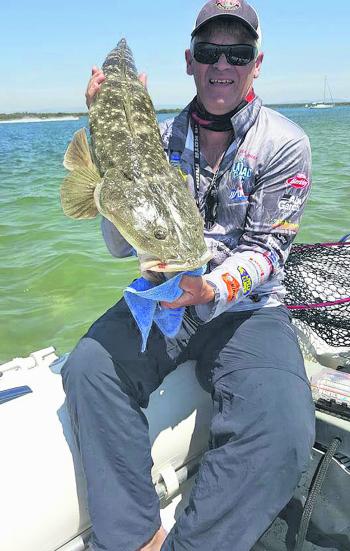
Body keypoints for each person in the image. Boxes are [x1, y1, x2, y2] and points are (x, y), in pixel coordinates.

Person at [62, 1, 316, 550]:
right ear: (189, 60)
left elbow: (270, 251)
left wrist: (210, 287)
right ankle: (135, 538)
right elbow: (116, 245)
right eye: (209, 51)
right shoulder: (158, 138)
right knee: (88, 368)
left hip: (248, 310)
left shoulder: (285, 142)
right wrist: (104, 149)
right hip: (167, 296)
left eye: (237, 52)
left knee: (284, 434)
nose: (222, 63)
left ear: (257, 61)